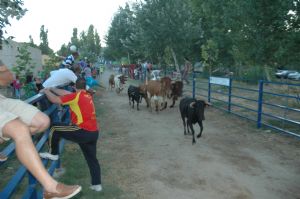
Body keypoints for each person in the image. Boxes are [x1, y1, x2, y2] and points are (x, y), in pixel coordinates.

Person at [0, 60, 82, 198]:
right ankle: (51, 187)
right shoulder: (69, 72)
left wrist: (4, 70)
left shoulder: (64, 71)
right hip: (46, 91)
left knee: (43, 121)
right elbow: (79, 86)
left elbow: (7, 79)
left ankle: (5, 137)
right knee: (19, 129)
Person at [40, 77, 102, 192]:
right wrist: (53, 88)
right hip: (93, 133)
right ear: (84, 87)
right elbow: (65, 93)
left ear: (74, 87)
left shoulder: (75, 96)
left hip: (82, 131)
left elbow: (55, 100)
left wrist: (46, 91)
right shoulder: (87, 95)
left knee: (54, 127)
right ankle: (96, 185)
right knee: (92, 159)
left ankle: (53, 153)